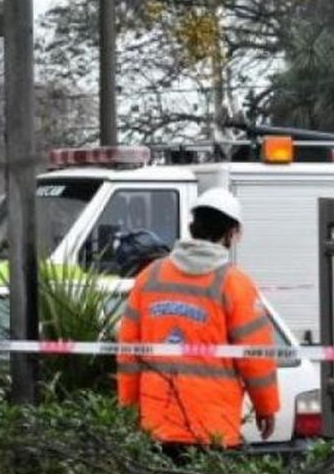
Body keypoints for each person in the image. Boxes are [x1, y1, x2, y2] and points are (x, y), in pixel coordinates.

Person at [118, 188, 280, 453]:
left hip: (157, 427)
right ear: (231, 233)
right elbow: (256, 356)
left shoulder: (150, 277)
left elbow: (128, 353)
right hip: (213, 429)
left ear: (192, 227)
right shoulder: (234, 284)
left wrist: (128, 408)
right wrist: (266, 407)